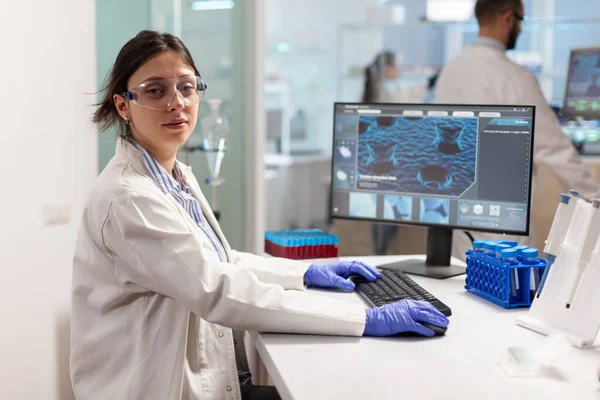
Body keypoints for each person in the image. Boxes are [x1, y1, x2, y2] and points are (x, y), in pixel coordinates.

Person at [70, 31, 449, 400]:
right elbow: (217, 288)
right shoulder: (128, 198)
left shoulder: (173, 175)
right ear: (123, 105)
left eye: (186, 87)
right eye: (156, 90)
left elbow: (220, 260)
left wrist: (304, 273)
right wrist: (365, 320)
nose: (176, 102)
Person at [435, 0, 600, 260]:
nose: (521, 29)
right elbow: (556, 151)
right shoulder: (513, 77)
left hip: (457, 222)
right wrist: (596, 197)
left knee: (461, 290)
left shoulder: (451, 70)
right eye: (521, 20)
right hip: (501, 229)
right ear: (507, 18)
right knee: (507, 296)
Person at [362, 51, 428, 255]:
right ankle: (380, 256)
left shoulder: (376, 89)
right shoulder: (385, 91)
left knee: (383, 214)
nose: (397, 70)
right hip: (384, 163)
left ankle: (380, 254)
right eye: (395, 66)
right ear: (387, 68)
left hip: (379, 161)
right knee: (385, 216)